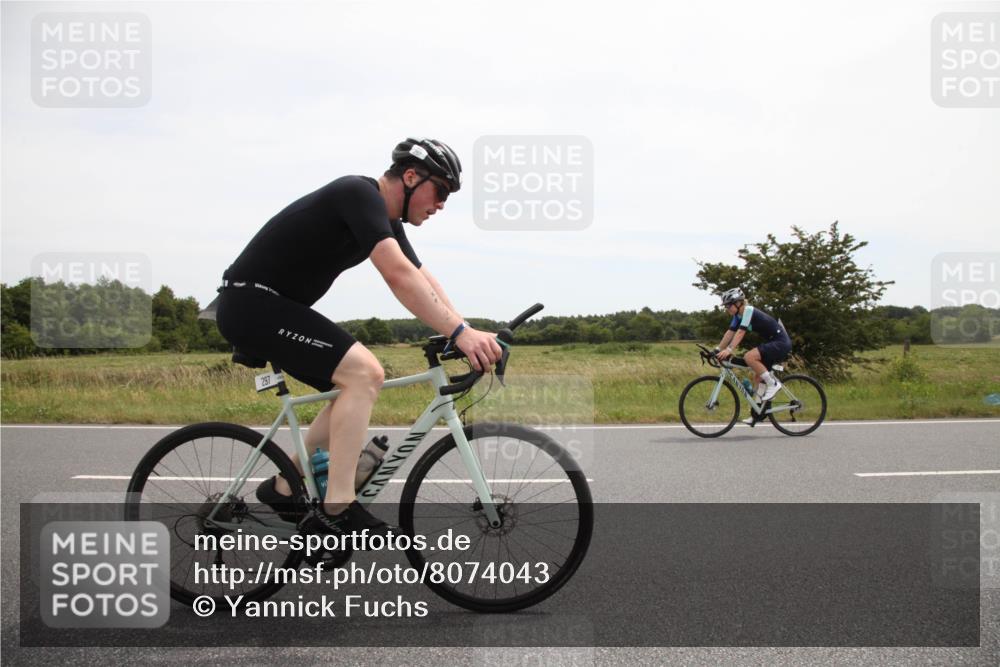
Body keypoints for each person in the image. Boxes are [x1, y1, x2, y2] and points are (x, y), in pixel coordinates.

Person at [214, 138, 503, 538]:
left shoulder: (384, 220)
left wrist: (463, 329)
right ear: (411, 176)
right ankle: (338, 504)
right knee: (365, 373)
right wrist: (458, 332)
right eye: (440, 191)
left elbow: (419, 275)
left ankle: (285, 486)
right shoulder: (357, 193)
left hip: (273, 307)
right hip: (251, 304)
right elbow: (397, 276)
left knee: (350, 384)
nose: (441, 204)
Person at [712, 288, 792, 419]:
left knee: (749, 357)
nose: (727, 309)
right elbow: (730, 332)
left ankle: (773, 384)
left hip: (780, 342)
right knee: (758, 379)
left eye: (728, 305)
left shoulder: (748, 310)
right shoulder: (737, 316)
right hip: (773, 342)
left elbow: (741, 332)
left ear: (738, 303)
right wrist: (717, 349)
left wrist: (729, 349)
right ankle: (758, 414)